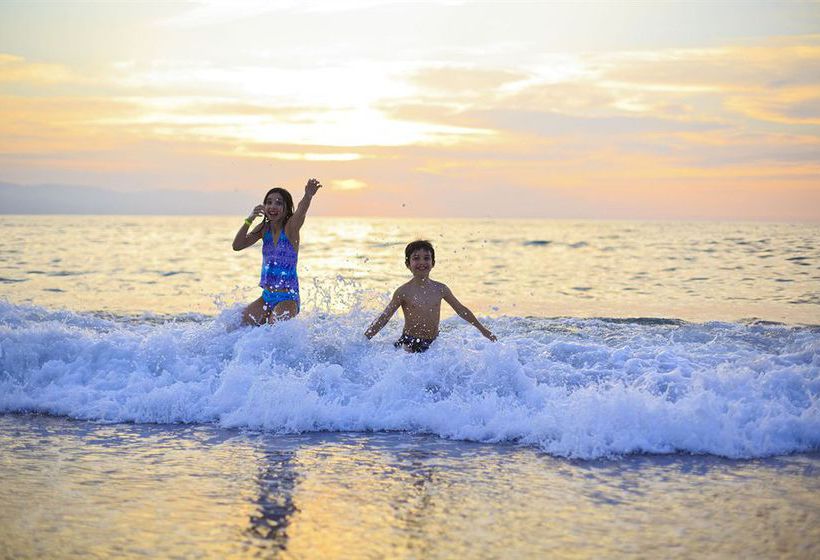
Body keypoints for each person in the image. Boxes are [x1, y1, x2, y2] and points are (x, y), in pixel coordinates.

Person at [364, 240, 497, 352]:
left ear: (433, 263)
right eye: (416, 258)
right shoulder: (403, 291)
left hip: (434, 342)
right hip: (410, 341)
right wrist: (365, 339)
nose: (422, 262)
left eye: (426, 258)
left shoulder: (440, 289)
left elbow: (461, 310)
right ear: (407, 264)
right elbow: (385, 317)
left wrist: (483, 330)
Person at [233, 178, 322, 325]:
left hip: (288, 298)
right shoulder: (263, 229)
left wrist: (308, 195)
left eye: (279, 203)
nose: (272, 206)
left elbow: (301, 211)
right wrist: (250, 219)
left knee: (274, 326)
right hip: (267, 296)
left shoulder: (290, 228)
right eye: (269, 202)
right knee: (240, 323)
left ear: (286, 208)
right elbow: (237, 245)